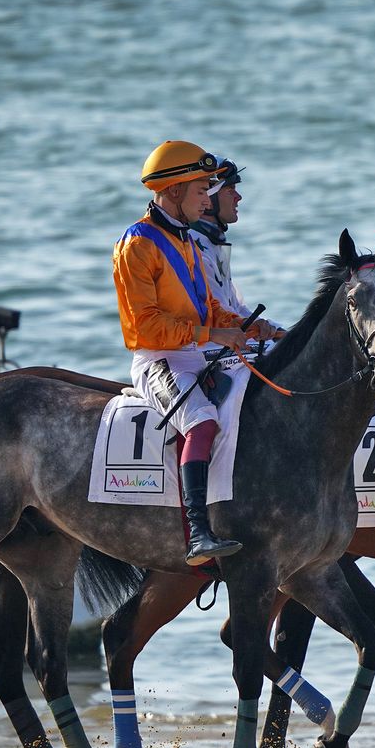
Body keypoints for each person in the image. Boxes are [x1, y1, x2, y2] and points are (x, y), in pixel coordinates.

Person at [113, 140, 263, 566]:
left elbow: (211, 308)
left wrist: (248, 328)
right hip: (158, 360)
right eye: (201, 191)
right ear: (174, 192)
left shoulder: (185, 241)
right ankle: (199, 532)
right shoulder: (137, 245)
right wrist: (213, 332)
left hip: (195, 353)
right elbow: (146, 328)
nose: (206, 199)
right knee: (202, 422)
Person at [189, 156, 287, 340]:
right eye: (230, 189)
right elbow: (217, 318)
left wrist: (276, 328)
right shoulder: (194, 248)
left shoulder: (213, 244)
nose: (238, 197)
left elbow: (236, 307)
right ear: (208, 199)